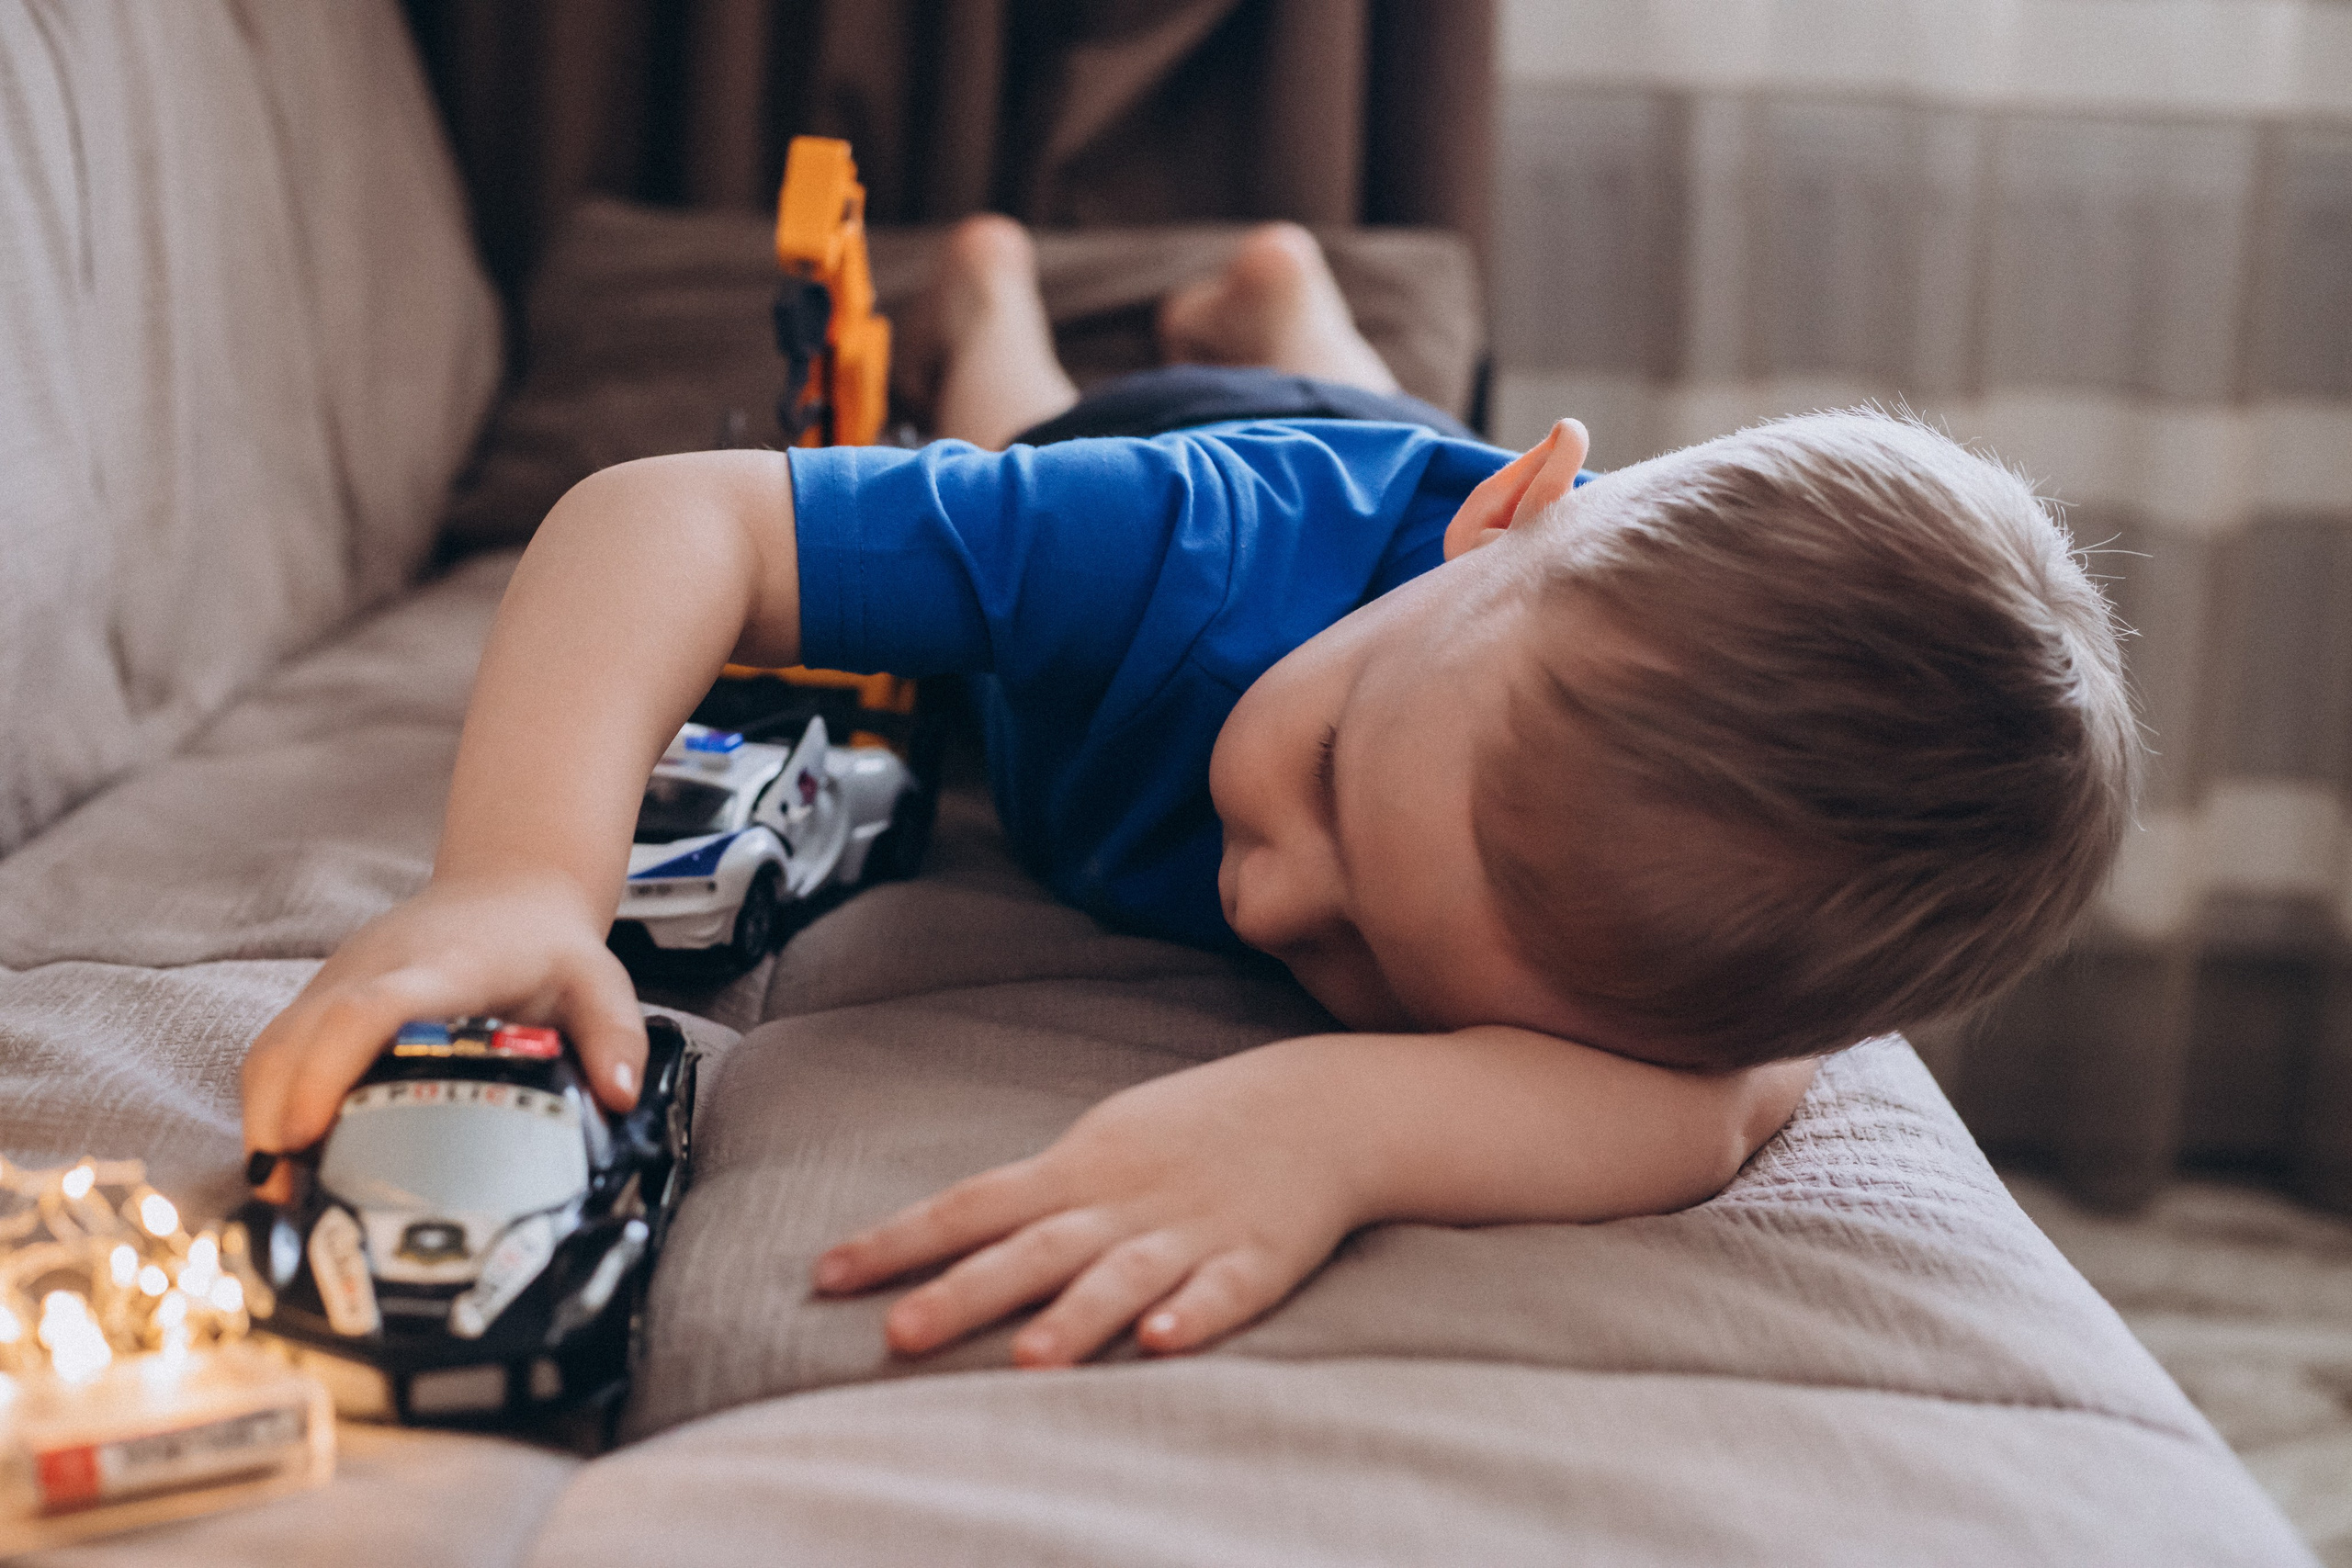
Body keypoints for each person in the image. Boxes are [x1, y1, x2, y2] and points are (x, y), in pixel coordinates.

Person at [241, 217, 2138, 1370]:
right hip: (1178, 463)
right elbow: (667, 519)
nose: (1266, 902)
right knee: (1022, 419)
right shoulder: (1185, 541)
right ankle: (1029, 281)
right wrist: (521, 878)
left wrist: (1342, 1121)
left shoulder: (1666, 914)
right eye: (1329, 780)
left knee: (1406, 437)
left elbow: (1711, 1103)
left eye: (1378, 962)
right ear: (1493, 540)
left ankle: (1293, 296)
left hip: (1454, 523)